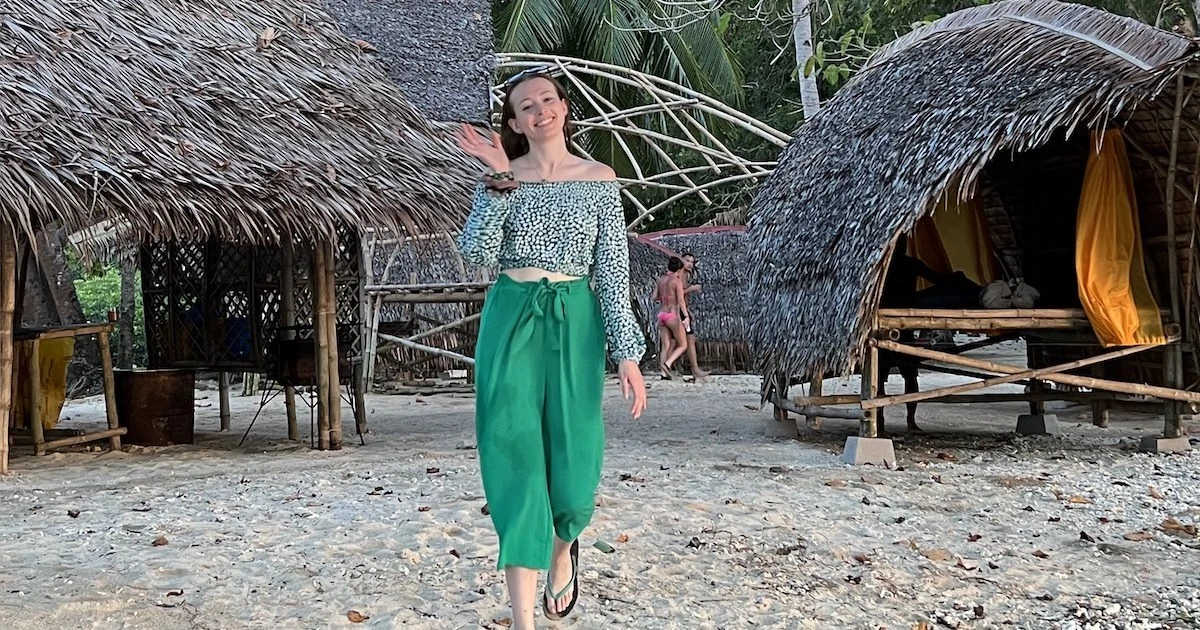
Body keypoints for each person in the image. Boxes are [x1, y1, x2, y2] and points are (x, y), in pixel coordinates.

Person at [454, 71, 647, 630]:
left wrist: (627, 355)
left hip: (575, 321)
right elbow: (478, 254)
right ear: (513, 123)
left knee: (575, 472)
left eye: (548, 99)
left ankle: (563, 548)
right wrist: (498, 182)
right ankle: (522, 619)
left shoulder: (599, 178)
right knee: (512, 454)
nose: (540, 111)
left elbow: (612, 270)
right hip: (512, 317)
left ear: (563, 108)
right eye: (525, 106)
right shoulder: (503, 177)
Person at [653, 257, 690, 379]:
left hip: (662, 314)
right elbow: (681, 300)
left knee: (666, 345)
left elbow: (654, 297)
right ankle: (668, 364)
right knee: (683, 344)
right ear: (679, 269)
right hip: (672, 315)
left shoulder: (661, 280)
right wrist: (686, 316)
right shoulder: (676, 281)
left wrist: (664, 298)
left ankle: (663, 373)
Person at [679, 252, 709, 380]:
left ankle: (667, 367)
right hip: (679, 311)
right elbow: (676, 294)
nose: (690, 264)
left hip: (683, 310)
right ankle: (694, 368)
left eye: (692, 261)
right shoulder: (679, 275)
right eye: (687, 261)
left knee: (682, 340)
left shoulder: (686, 275)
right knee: (687, 339)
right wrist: (691, 289)